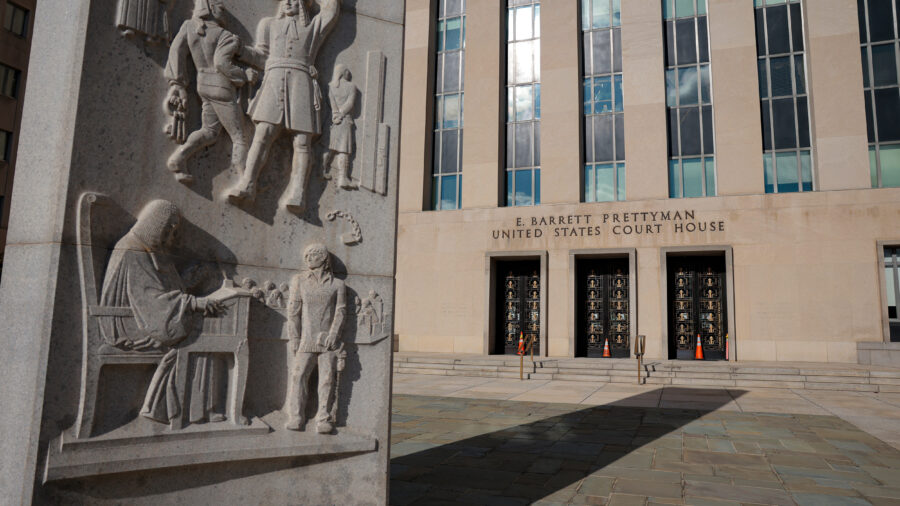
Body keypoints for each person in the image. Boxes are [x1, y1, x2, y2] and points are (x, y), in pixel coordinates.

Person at [98, 200, 239, 424]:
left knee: (205, 330)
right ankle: (176, 409)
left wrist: (190, 280)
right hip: (129, 324)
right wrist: (194, 303)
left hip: (144, 316)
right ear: (156, 225)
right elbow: (150, 300)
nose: (170, 238)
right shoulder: (133, 250)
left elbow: (158, 292)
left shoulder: (144, 247)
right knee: (203, 337)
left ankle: (188, 408)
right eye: (168, 231)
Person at [226, 0, 341, 213]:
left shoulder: (313, 27)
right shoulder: (268, 24)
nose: (288, 2)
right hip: (274, 80)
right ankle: (247, 183)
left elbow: (331, 9)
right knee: (263, 134)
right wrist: (241, 50)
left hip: (301, 83)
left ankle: (298, 192)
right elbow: (262, 56)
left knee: (302, 141)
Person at [163, 0, 258, 185]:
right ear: (211, 9)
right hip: (221, 88)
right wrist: (244, 74)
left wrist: (177, 82)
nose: (223, 11)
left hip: (203, 85)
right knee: (240, 137)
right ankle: (244, 181)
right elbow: (222, 64)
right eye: (220, 7)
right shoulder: (225, 35)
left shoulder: (189, 27)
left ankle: (178, 159)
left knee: (210, 132)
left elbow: (176, 51)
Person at [284, 243, 346, 433]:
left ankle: (324, 418)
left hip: (328, 341)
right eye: (306, 255)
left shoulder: (338, 284)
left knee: (327, 379)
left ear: (324, 258)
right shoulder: (299, 280)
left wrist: (334, 334)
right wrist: (294, 337)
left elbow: (340, 311)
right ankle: (296, 416)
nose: (308, 258)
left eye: (313, 254)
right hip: (306, 339)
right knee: (298, 376)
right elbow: (293, 312)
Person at [322, 64, 358, 189]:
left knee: (329, 147)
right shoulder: (351, 86)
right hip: (345, 120)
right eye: (347, 71)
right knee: (343, 150)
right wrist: (341, 114)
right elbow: (350, 103)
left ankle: (321, 170)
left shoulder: (330, 86)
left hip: (332, 120)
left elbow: (331, 102)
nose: (349, 74)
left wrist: (335, 114)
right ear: (343, 72)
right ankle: (343, 178)